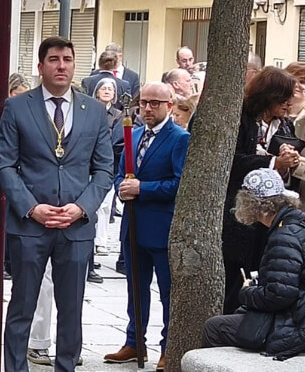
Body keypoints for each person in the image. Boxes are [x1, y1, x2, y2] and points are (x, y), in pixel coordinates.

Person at [0, 36, 113, 372]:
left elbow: (105, 169)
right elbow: (4, 165)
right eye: (54, 59)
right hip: (30, 224)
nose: (61, 66)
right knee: (22, 306)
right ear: (40, 66)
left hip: (75, 226)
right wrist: (31, 207)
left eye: (67, 59)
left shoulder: (94, 110)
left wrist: (83, 207)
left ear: (74, 65)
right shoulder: (18, 107)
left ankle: (66, 367)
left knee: (71, 309)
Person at [103, 83, 190, 371]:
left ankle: (168, 347)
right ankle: (134, 341)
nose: (148, 108)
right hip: (133, 225)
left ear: (169, 105)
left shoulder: (179, 138)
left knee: (166, 291)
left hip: (161, 227)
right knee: (135, 288)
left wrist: (143, 188)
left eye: (155, 103)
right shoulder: (135, 134)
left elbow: (179, 183)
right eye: (144, 103)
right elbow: (121, 174)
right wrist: (123, 188)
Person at [203, 168, 305, 360]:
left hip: (295, 325)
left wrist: (247, 291)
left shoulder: (284, 236)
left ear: (252, 204)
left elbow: (280, 295)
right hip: (296, 314)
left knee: (214, 327)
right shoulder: (295, 224)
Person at [224, 66, 299, 315]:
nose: (289, 104)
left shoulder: (285, 126)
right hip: (240, 216)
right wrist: (273, 162)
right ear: (269, 96)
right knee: (235, 279)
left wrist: (288, 161)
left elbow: (282, 170)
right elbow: (232, 162)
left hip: (269, 219)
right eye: (284, 99)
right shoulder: (242, 119)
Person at [92, 78, 125, 259]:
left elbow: (118, 141)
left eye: (110, 89)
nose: (106, 91)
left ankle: (101, 241)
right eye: (103, 88)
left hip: (109, 164)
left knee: (105, 205)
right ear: (97, 91)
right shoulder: (89, 110)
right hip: (88, 164)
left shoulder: (118, 115)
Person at [0, 72, 30, 148]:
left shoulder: (29, 108)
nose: (22, 99)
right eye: (18, 94)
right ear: (8, 92)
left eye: (25, 95)